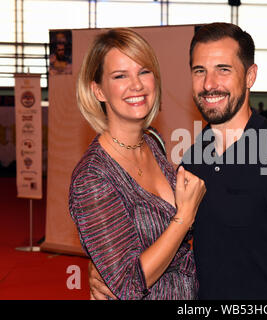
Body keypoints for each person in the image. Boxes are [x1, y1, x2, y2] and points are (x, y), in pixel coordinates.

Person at [90, 23, 267, 300]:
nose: (209, 84)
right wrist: (106, 265)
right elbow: (161, 237)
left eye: (223, 70)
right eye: (199, 71)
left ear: (250, 76)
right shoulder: (190, 161)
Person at [69, 28, 206, 300]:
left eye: (144, 71)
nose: (137, 85)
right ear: (98, 90)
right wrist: (184, 217)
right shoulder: (92, 178)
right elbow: (128, 284)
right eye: (120, 76)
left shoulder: (152, 141)